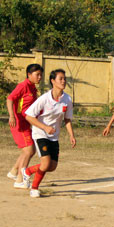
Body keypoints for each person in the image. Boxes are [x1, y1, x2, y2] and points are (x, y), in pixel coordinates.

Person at [22, 69, 76, 198]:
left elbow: (67, 119)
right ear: (53, 81)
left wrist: (71, 135)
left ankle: (28, 171)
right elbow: (29, 116)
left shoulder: (67, 99)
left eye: (64, 79)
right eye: (60, 79)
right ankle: (34, 188)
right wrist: (45, 127)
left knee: (52, 166)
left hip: (54, 136)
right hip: (40, 133)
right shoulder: (44, 98)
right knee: (45, 163)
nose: (63, 81)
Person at [6, 63, 43, 189]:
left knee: (27, 150)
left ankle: (14, 172)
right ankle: (20, 180)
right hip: (19, 123)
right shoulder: (23, 86)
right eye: (37, 74)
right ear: (29, 74)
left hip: (26, 123)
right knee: (29, 150)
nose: (40, 77)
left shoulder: (33, 88)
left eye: (40, 75)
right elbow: (10, 99)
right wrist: (11, 116)